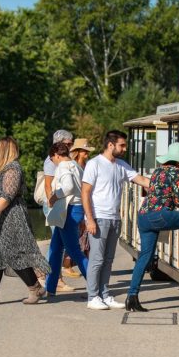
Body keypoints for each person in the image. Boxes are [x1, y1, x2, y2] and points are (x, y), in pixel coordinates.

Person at [0, 137, 50, 305]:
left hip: (11, 217)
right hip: (1, 216)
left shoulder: (13, 168)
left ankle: (35, 289)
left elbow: (7, 195)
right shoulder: (3, 169)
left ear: (4, 150)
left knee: (15, 253)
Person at [81, 130, 149, 310]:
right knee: (96, 259)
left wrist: (163, 184)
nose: (124, 148)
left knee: (108, 259)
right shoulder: (94, 164)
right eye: (122, 145)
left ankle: (104, 294)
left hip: (114, 218)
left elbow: (141, 180)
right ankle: (92, 296)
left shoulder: (121, 165)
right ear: (110, 145)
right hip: (99, 217)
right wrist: (90, 219)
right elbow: (85, 192)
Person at [125, 142, 179, 312]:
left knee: (144, 257)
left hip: (144, 215)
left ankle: (132, 296)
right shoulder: (177, 172)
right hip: (160, 214)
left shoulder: (157, 171)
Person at [44, 142, 89, 295]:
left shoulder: (63, 166)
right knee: (55, 249)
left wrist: (54, 197)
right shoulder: (76, 166)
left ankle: (97, 286)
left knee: (74, 251)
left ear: (57, 155)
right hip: (76, 209)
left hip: (68, 211)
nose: (53, 162)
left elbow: (68, 187)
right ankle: (50, 287)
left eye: (52, 159)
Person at [42, 129, 75, 292]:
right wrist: (52, 203)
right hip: (55, 204)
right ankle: (49, 277)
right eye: (68, 144)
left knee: (58, 244)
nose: (71, 147)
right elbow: (48, 185)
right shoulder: (51, 161)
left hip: (61, 203)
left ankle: (51, 280)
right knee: (58, 245)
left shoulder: (65, 160)